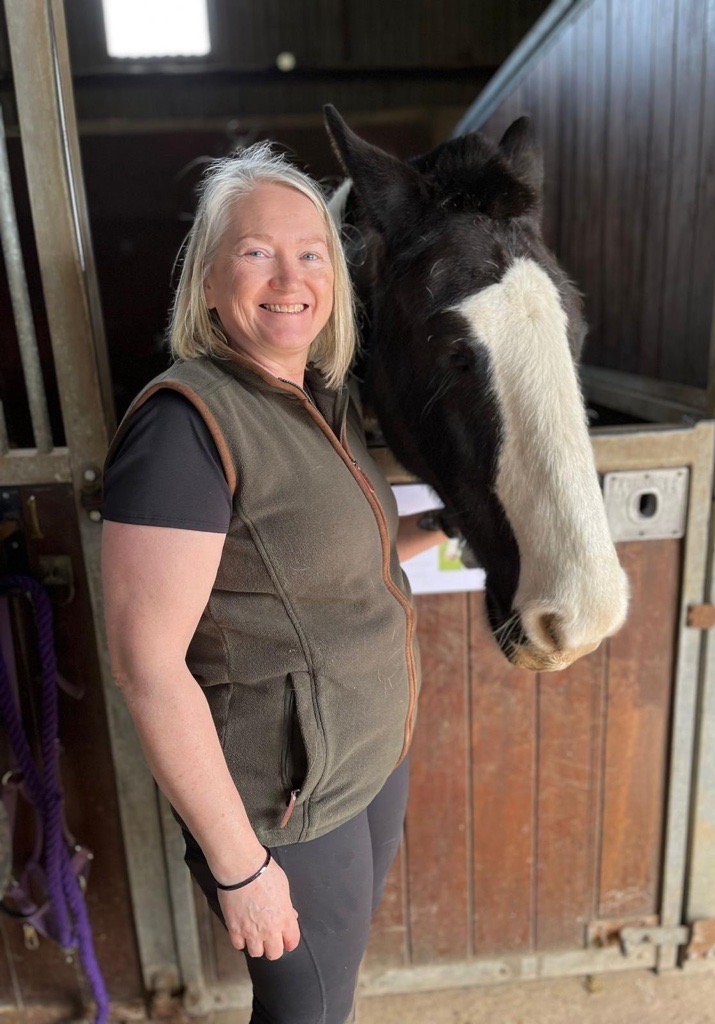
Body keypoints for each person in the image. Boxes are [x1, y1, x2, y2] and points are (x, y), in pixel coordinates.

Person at [100, 143, 447, 1024]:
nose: (290, 276)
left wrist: (451, 523)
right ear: (209, 282)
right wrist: (241, 865)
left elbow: (335, 568)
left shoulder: (322, 399)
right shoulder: (186, 428)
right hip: (284, 809)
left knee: (332, 984)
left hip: (366, 758)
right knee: (310, 1014)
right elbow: (148, 666)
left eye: (312, 251)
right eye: (257, 252)